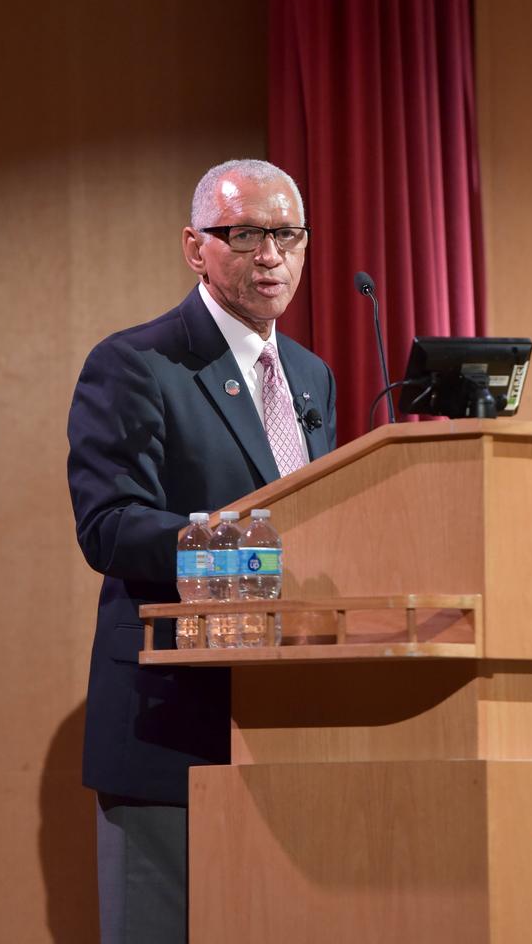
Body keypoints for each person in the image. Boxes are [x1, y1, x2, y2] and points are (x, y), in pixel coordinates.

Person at [67, 158, 337, 943]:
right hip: (171, 726)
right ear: (196, 248)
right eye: (245, 235)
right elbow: (110, 524)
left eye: (287, 235)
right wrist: (240, 550)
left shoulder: (311, 376)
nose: (271, 256)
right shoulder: (137, 363)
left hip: (287, 724)